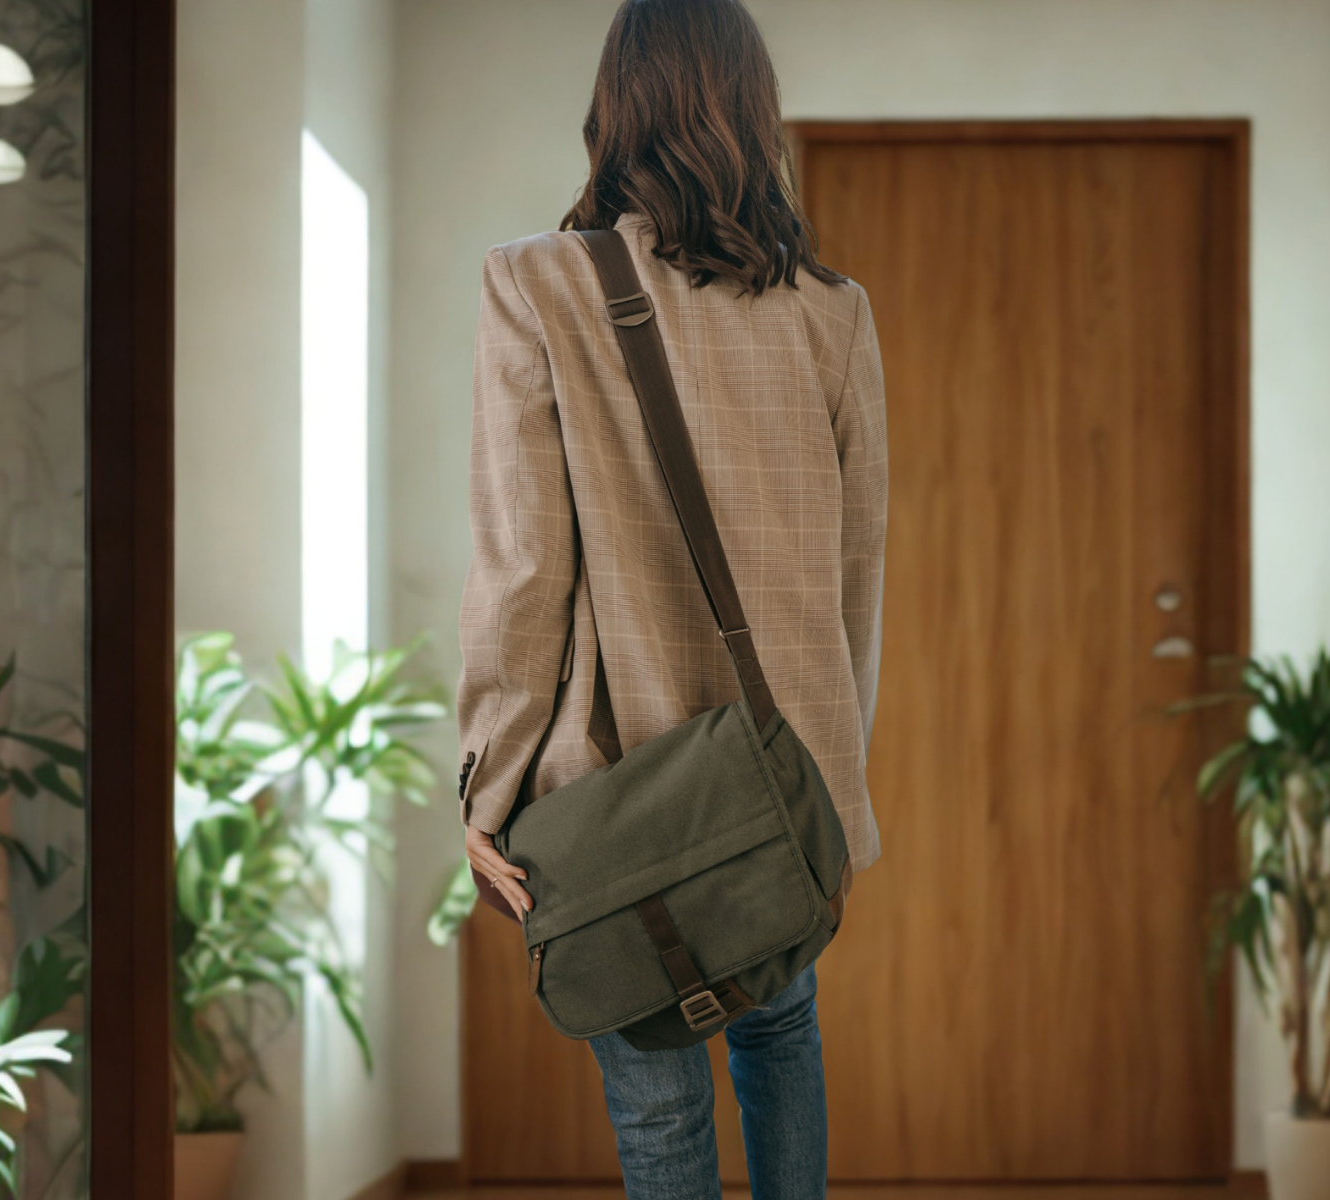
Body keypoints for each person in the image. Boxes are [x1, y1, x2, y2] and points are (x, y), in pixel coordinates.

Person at [453, 1, 887, 1196]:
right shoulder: (828, 312)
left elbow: (523, 565)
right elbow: (856, 573)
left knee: (658, 1113)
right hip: (776, 773)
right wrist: (833, 785)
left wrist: (486, 784)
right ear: (755, 115)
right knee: (781, 1036)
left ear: (614, 109)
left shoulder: (533, 286)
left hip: (606, 781)